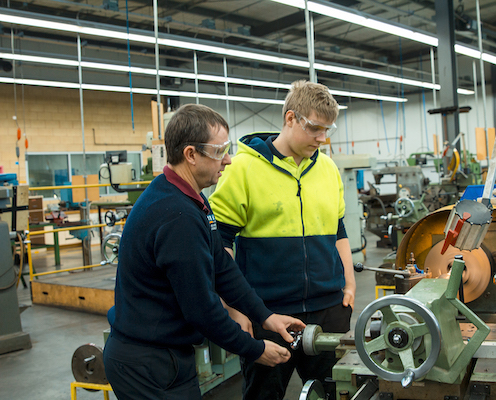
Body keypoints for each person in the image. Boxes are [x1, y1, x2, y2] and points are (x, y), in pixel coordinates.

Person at [103, 103, 305, 400]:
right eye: (219, 151)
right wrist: (255, 349)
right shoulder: (176, 216)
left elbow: (222, 267)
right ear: (191, 154)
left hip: (167, 355)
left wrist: (265, 316)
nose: (228, 160)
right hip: (147, 363)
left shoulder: (190, 197)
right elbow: (201, 307)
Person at [209, 80, 356, 399]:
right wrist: (235, 308)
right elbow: (220, 243)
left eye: (327, 130)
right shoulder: (243, 169)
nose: (322, 138)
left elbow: (338, 230)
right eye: (315, 128)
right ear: (291, 118)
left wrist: (349, 283)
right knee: (264, 394)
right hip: (266, 312)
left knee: (334, 392)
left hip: (327, 309)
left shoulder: (328, 169)